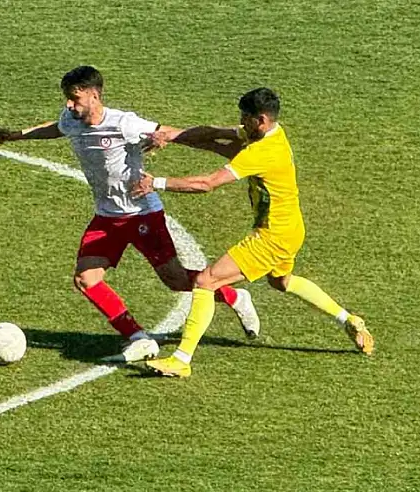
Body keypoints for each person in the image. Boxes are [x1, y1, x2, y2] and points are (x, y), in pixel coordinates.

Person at [0, 66, 260, 362]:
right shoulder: (72, 119)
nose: (69, 105)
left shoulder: (123, 123)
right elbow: (57, 127)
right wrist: (15, 136)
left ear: (94, 95)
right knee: (86, 279)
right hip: (107, 217)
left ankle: (234, 296)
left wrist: (171, 139)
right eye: (67, 98)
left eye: (75, 98)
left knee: (176, 280)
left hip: (142, 214)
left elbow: (166, 132)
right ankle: (138, 337)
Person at [130, 87, 374, 377]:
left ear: (260, 119)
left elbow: (208, 183)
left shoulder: (263, 151)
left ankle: (181, 360)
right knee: (281, 282)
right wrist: (171, 135)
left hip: (272, 236)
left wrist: (156, 182)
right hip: (290, 228)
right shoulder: (269, 134)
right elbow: (213, 134)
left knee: (207, 281)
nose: (240, 124)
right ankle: (349, 319)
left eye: (245, 119)